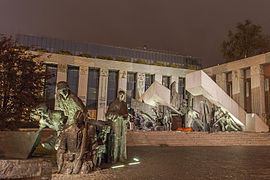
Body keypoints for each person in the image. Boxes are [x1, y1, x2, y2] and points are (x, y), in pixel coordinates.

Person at [106, 90, 128, 162]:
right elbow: (108, 115)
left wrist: (125, 117)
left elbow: (126, 114)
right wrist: (117, 115)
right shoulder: (114, 104)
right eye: (121, 95)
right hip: (116, 124)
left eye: (123, 95)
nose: (122, 97)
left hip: (122, 124)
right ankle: (114, 157)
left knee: (122, 140)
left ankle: (121, 156)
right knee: (116, 140)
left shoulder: (124, 104)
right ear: (118, 95)